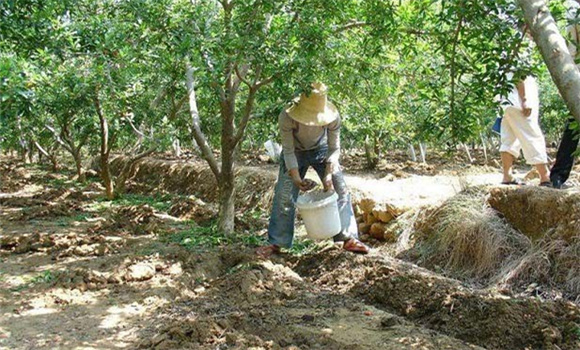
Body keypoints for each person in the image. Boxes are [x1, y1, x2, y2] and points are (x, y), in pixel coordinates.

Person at [256, 82, 370, 258]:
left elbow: (334, 148)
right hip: (295, 151)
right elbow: (287, 150)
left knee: (340, 188)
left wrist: (329, 174)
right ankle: (276, 242)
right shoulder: (286, 116)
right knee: (284, 194)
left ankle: (348, 237)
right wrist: (295, 177)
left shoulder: (333, 117)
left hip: (322, 150)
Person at [499, 74, 551, 186]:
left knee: (509, 137)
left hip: (506, 101)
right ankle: (545, 176)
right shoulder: (519, 56)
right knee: (532, 134)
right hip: (517, 101)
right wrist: (524, 99)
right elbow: (519, 74)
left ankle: (507, 176)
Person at [551, 0, 580, 189]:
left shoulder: (573, 12)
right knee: (573, 125)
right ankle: (558, 174)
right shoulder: (574, 11)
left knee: (573, 125)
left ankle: (558, 174)